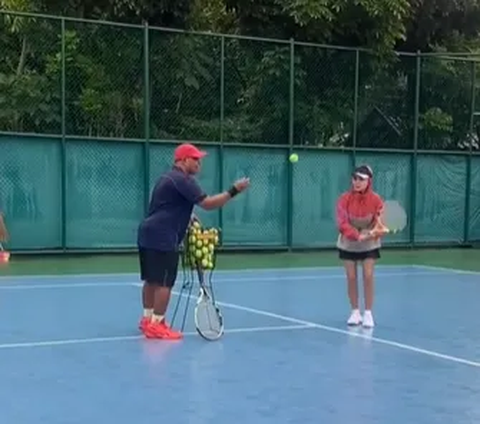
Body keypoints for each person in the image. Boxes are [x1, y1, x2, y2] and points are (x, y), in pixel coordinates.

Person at [137, 142, 250, 340]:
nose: (199, 163)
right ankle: (157, 324)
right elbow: (208, 204)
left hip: (147, 233)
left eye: (200, 159)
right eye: (195, 159)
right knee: (165, 282)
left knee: (152, 279)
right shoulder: (183, 180)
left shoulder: (166, 178)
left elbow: (164, 206)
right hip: (164, 236)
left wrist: (187, 217)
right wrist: (234, 190)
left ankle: (147, 320)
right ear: (182, 160)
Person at [335, 165, 384, 328]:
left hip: (369, 242)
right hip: (349, 242)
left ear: (368, 181)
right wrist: (357, 235)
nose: (357, 182)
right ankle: (355, 312)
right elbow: (342, 223)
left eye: (361, 179)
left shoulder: (376, 200)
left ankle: (368, 313)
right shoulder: (344, 199)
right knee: (351, 277)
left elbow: (380, 223)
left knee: (368, 275)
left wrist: (373, 232)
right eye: (355, 178)